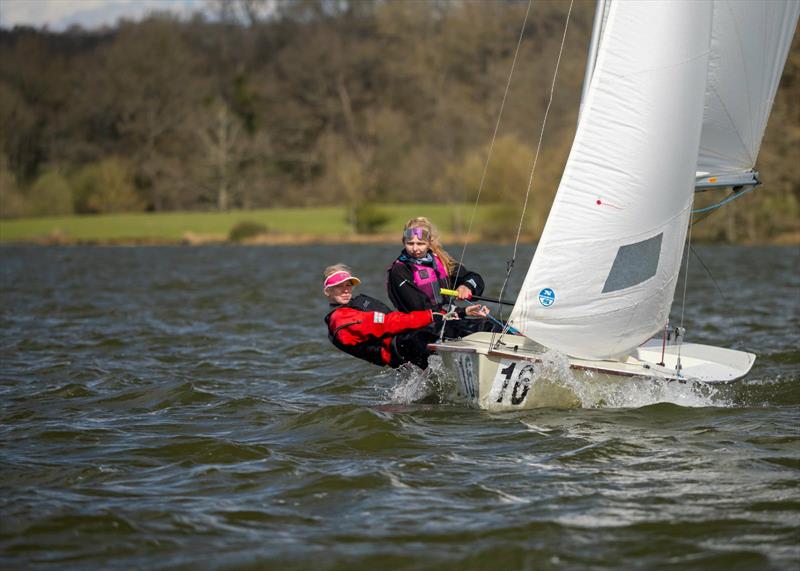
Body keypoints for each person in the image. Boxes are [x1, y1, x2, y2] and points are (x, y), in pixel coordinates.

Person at [386, 217, 498, 337]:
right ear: (403, 242)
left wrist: (466, 286)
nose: (415, 249)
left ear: (429, 243)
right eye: (410, 243)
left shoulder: (441, 261)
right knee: (487, 329)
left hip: (447, 322)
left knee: (496, 326)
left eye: (420, 244)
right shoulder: (399, 270)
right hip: (421, 331)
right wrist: (461, 312)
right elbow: (419, 307)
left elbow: (474, 278)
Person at [323, 263, 447, 369]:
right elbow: (387, 323)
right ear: (327, 291)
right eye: (338, 286)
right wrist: (429, 316)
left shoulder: (352, 307)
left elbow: (393, 319)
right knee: (443, 330)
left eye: (348, 285)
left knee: (445, 325)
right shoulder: (341, 319)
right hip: (400, 349)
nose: (345, 290)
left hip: (403, 345)